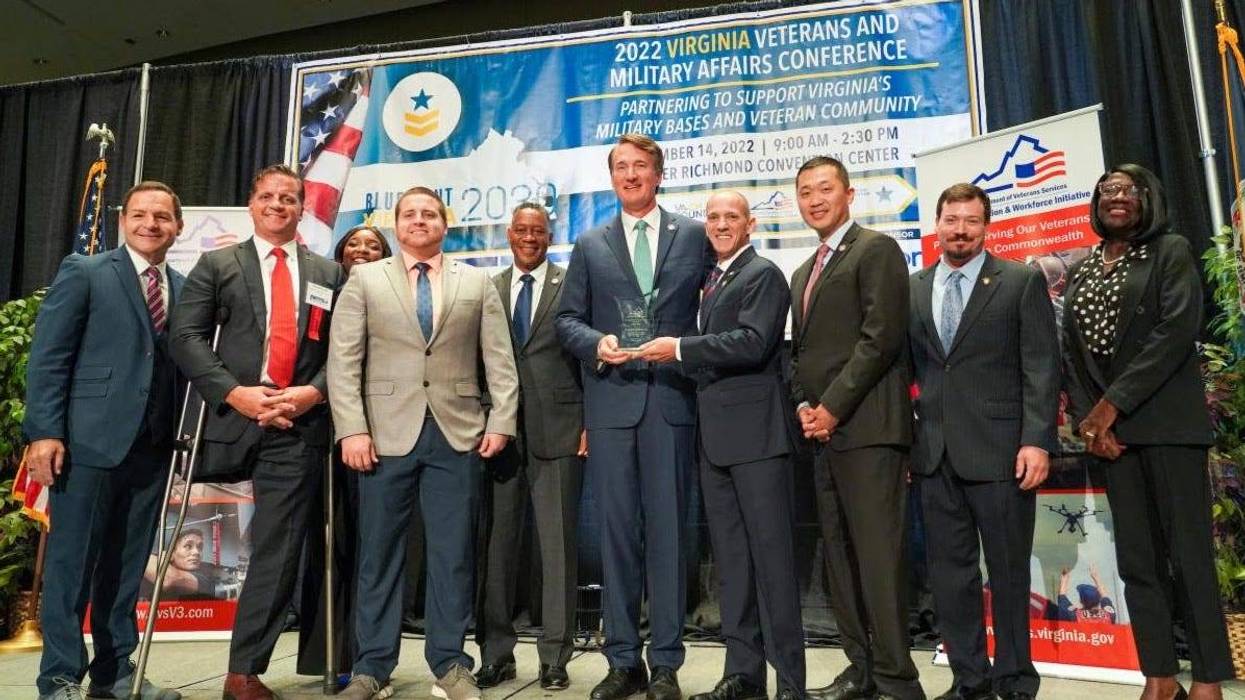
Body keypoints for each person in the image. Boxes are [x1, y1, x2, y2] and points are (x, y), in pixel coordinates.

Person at [327, 186, 518, 700]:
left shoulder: (476, 281)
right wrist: (352, 428)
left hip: (458, 435)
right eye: (410, 213)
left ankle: (451, 664)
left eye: (429, 213)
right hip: (382, 436)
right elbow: (343, 362)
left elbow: (499, 360)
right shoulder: (365, 279)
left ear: (444, 223)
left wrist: (502, 421)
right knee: (379, 556)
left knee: (453, 555)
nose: (419, 220)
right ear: (396, 223)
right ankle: (371, 668)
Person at [170, 164, 345, 700]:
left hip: (296, 422)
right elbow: (186, 336)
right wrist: (234, 392)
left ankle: (242, 670)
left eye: (289, 198)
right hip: (232, 417)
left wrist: (312, 392)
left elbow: (342, 349)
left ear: (301, 208)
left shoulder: (327, 274)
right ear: (252, 204)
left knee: (278, 547)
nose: (278, 205)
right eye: (268, 196)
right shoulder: (217, 263)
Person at [1063, 164, 1232, 700]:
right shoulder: (1086, 267)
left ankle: (1206, 679)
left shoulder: (1170, 251)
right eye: (1106, 190)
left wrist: (1109, 408)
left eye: (1128, 190)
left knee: (1188, 558)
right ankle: (1158, 677)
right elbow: (1073, 353)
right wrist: (1093, 423)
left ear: (1148, 199)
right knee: (1138, 564)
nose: (1116, 197)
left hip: (1168, 429)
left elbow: (1174, 332)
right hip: (1112, 439)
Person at [556, 133, 711, 700]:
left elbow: (715, 306)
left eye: (640, 166)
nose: (630, 175)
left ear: (658, 173)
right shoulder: (590, 244)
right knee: (617, 535)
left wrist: (689, 348)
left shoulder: (693, 235)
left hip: (671, 402)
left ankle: (666, 661)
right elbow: (567, 321)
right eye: (620, 167)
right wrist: (599, 343)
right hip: (613, 405)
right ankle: (624, 660)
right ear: (612, 177)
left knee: (669, 535)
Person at [636, 191, 805, 700]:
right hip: (715, 442)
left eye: (732, 217)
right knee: (731, 564)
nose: (721, 224)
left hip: (756, 440)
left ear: (751, 224)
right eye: (713, 217)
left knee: (772, 565)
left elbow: (753, 342)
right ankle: (743, 674)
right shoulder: (712, 279)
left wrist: (681, 348)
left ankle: (791, 685)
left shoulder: (763, 275)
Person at [24, 181, 186, 700]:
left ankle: (114, 673)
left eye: (162, 216)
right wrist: (45, 431)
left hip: (152, 446)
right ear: (123, 220)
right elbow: (49, 358)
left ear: (178, 227)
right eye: (141, 214)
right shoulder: (86, 271)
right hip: (86, 444)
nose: (151, 224)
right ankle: (59, 677)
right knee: (73, 566)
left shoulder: (184, 287)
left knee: (124, 567)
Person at [908, 183, 1059, 700]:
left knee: (1010, 574)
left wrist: (1037, 441)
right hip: (934, 454)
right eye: (951, 220)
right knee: (951, 578)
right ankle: (969, 679)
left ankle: (1016, 680)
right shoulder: (914, 285)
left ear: (986, 225)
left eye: (971, 220)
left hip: (1001, 453)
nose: (960, 230)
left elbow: (1041, 366)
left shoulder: (1018, 281)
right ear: (937, 223)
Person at [788, 156, 921, 700]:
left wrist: (834, 407)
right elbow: (799, 355)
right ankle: (860, 670)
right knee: (839, 560)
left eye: (825, 188)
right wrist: (804, 407)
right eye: (805, 191)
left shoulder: (876, 249)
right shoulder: (802, 271)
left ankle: (897, 681)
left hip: (867, 431)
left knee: (877, 560)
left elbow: (881, 337)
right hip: (821, 434)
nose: (815, 199)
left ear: (849, 194)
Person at [475, 203, 586, 692]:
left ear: (549, 235)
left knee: (556, 548)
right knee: (496, 550)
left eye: (537, 230)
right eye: (520, 230)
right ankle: (496, 653)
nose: (528, 237)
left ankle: (555, 657)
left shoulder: (572, 285)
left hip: (560, 431)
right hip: (496, 435)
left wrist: (590, 424)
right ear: (508, 234)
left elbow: (587, 358)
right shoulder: (487, 289)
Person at [297, 225, 393, 680]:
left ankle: (365, 655)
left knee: (368, 543)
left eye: (372, 246)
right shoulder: (321, 292)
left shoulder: (397, 294)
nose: (362, 251)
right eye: (353, 244)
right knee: (327, 542)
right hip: (323, 426)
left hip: (383, 429)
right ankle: (327, 655)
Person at [141, 528, 229, 600]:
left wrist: (139, 554)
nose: (196, 552)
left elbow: (168, 578)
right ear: (171, 554)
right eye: (188, 546)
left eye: (200, 547)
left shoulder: (204, 577)